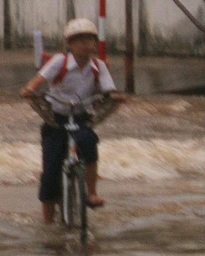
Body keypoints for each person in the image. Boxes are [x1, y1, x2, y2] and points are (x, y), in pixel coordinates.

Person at [19, 17, 126, 223]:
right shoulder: (60, 61)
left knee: (89, 141)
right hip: (55, 119)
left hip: (81, 117)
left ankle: (92, 193)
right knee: (50, 170)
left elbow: (108, 90)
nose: (85, 43)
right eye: (79, 40)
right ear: (69, 44)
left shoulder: (99, 67)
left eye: (89, 39)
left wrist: (114, 96)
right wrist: (29, 90)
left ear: (95, 43)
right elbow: (39, 80)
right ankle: (47, 220)